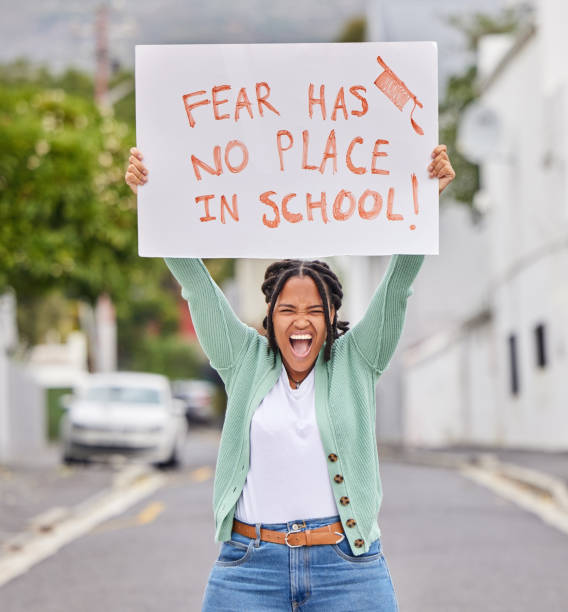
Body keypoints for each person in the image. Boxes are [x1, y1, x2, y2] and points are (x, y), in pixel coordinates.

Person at [125, 144, 455, 611]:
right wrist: (152, 199)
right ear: (270, 317)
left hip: (346, 567)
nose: (301, 321)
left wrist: (428, 202)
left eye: (314, 311)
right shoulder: (244, 359)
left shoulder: (357, 360)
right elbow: (197, 286)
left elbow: (398, 285)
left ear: (332, 315)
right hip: (250, 568)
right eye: (288, 310)